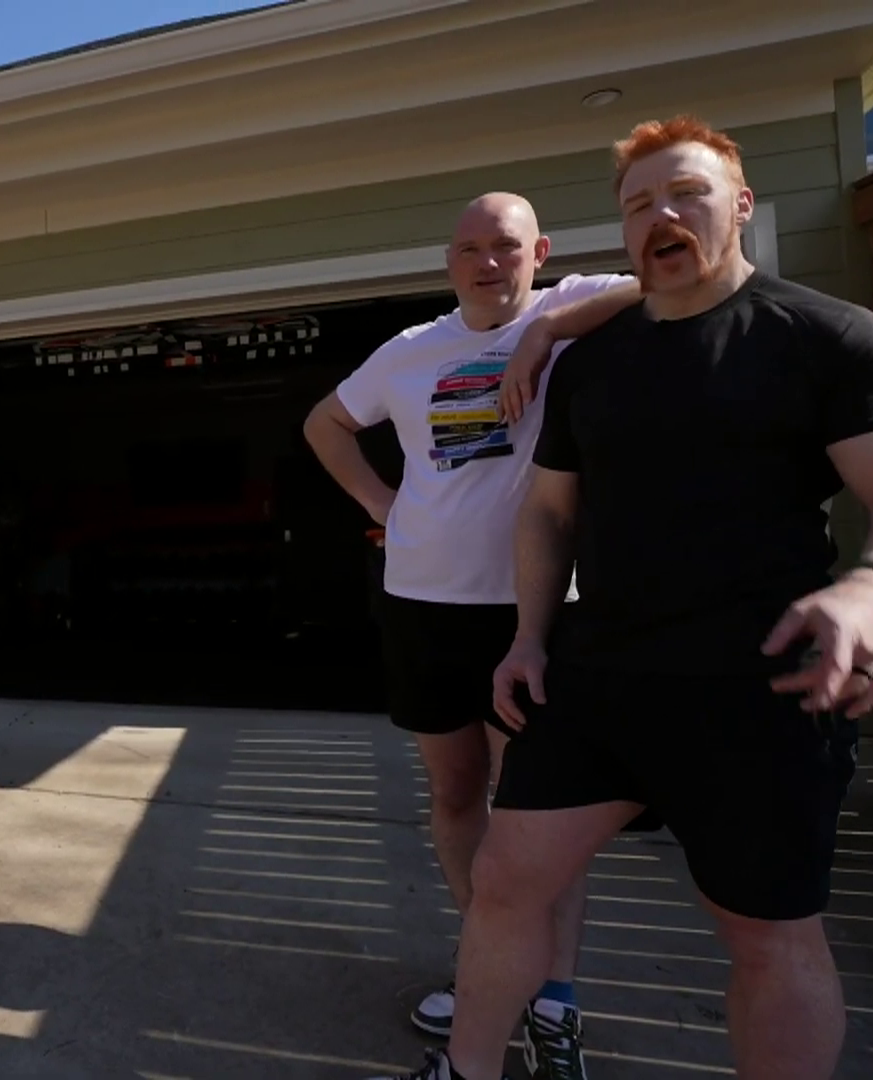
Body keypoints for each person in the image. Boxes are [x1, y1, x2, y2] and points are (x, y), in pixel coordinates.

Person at [379, 115, 873, 1080]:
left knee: (767, 934)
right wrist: (529, 639)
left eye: (687, 193)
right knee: (507, 882)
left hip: (760, 690)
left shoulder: (828, 337)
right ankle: (467, 1071)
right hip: (598, 676)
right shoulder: (594, 362)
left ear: (741, 205)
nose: (663, 216)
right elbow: (548, 514)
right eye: (640, 203)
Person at [305, 192, 637, 1076]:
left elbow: (657, 283)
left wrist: (543, 331)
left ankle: (552, 998)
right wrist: (383, 503)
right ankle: (493, 967)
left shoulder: (574, 310)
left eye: (506, 246)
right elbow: (324, 423)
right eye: (468, 249)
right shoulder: (410, 350)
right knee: (456, 795)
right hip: (420, 604)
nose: (488, 263)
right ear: (448, 262)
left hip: (533, 612)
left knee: (538, 816)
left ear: (540, 252)